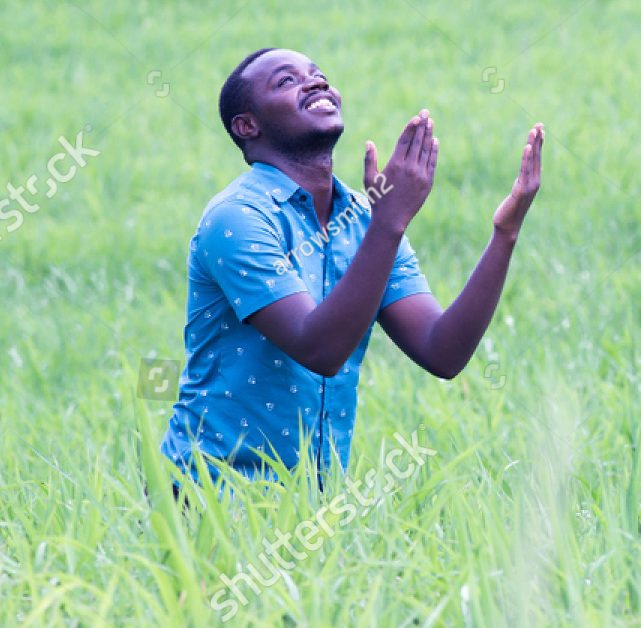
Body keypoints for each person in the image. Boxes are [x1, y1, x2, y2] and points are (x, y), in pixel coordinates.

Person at [158, 47, 543, 488]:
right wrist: (389, 221)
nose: (316, 83)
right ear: (247, 126)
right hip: (206, 493)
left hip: (308, 504)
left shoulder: (365, 219)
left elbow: (443, 351)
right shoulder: (237, 218)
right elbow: (319, 348)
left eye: (318, 75)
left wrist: (504, 235)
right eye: (286, 81)